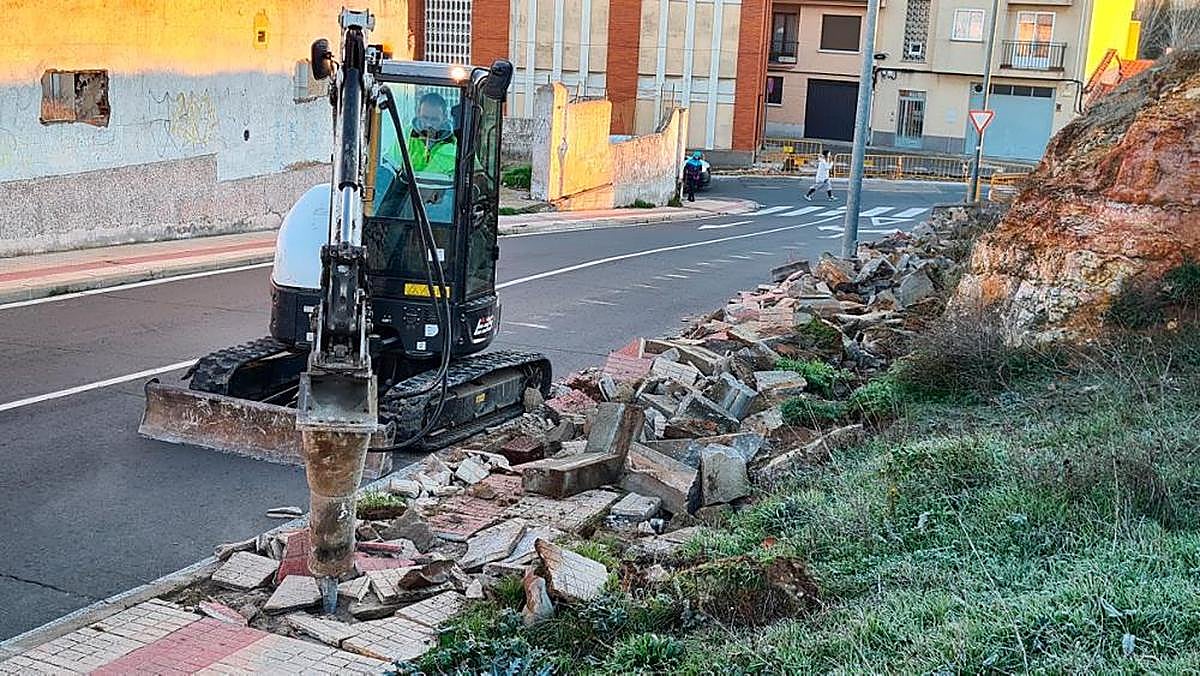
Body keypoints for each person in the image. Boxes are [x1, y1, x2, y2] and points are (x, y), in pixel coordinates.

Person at [389, 91, 457, 176]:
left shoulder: (457, 143)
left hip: (445, 188)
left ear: (444, 117)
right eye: (425, 118)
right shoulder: (406, 136)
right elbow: (390, 166)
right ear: (418, 113)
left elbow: (476, 175)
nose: (428, 124)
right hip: (409, 188)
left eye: (434, 120)